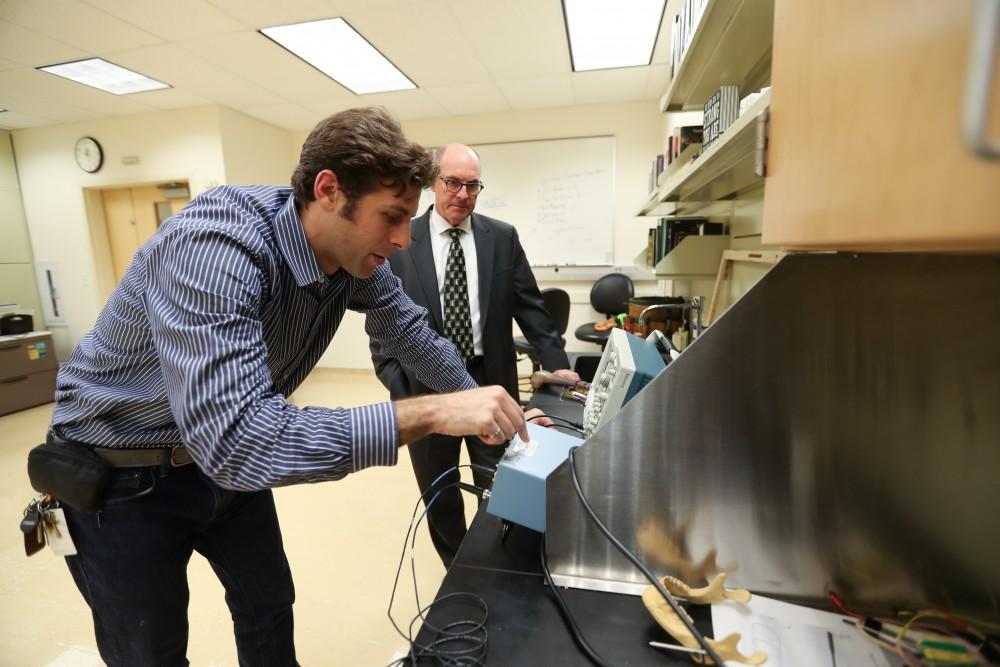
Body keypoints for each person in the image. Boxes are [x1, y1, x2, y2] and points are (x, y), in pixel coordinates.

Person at [46, 108, 531, 666]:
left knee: (268, 607)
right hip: (122, 472)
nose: (403, 239)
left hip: (218, 463)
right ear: (329, 191)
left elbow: (410, 332)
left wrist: (488, 403)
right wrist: (425, 414)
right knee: (149, 650)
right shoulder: (215, 247)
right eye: (391, 217)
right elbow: (239, 439)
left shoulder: (356, 260)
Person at [371, 144, 579, 567]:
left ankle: (491, 566)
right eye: (452, 183)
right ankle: (457, 570)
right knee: (439, 492)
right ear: (434, 183)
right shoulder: (400, 239)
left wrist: (557, 362)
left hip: (489, 380)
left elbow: (531, 308)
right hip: (425, 391)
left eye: (472, 185)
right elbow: (379, 323)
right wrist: (399, 384)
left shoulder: (500, 238)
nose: (462, 194)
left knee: (498, 484)